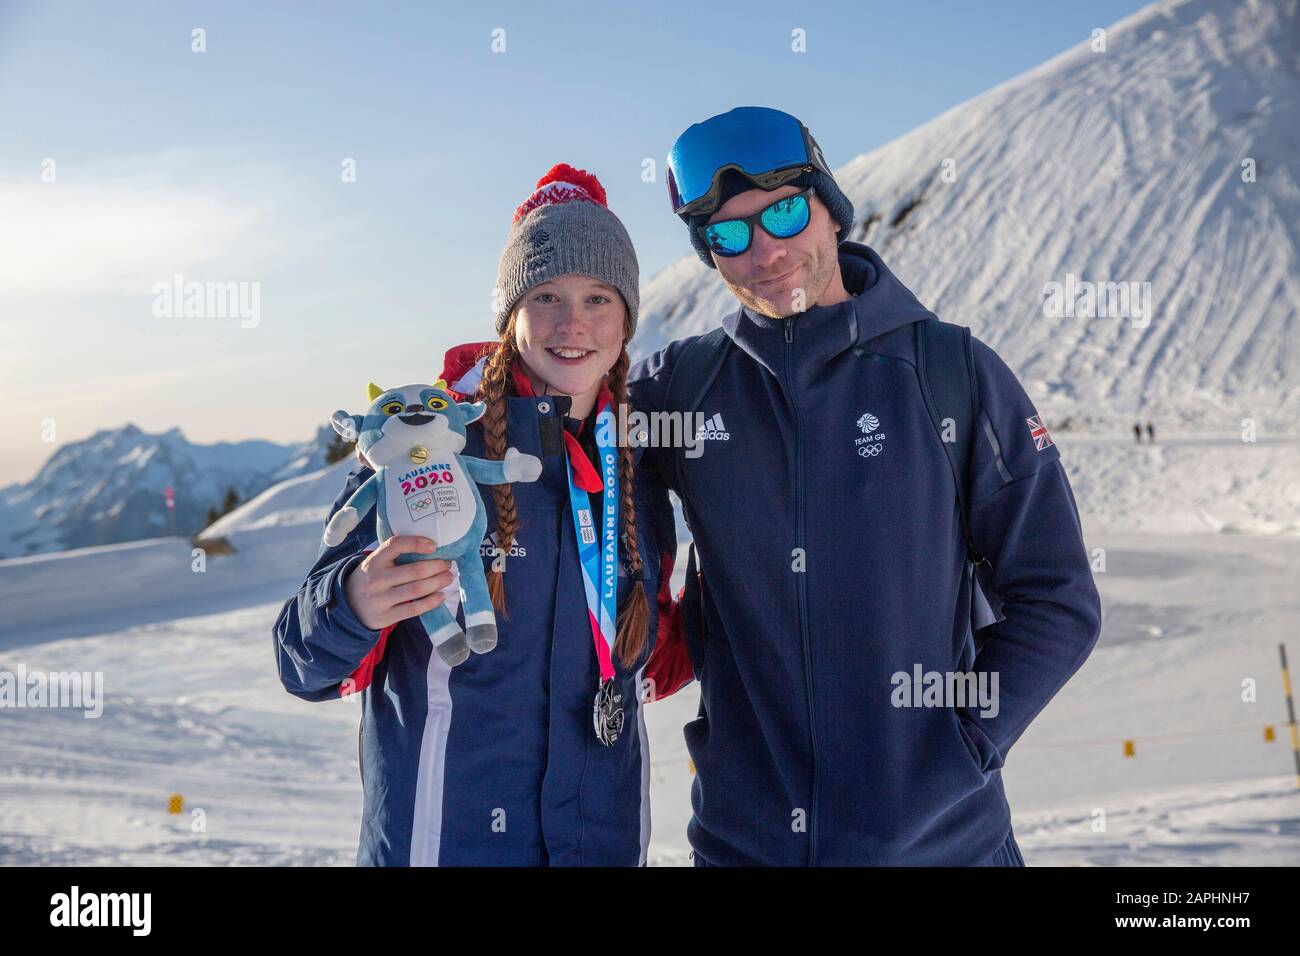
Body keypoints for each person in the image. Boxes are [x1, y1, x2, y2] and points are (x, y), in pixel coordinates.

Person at [632, 106, 1102, 866]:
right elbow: (563, 416)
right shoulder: (684, 390)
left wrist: (961, 747)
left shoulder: (951, 373)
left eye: (785, 211)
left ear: (828, 208)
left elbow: (1058, 596)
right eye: (729, 233)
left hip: (943, 847)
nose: (766, 250)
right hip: (743, 848)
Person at [273, 164, 680, 866]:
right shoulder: (424, 447)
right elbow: (300, 662)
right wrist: (352, 603)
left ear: (626, 320)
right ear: (510, 316)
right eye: (545, 295)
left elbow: (651, 657)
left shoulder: (636, 470)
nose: (573, 323)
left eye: (598, 297)